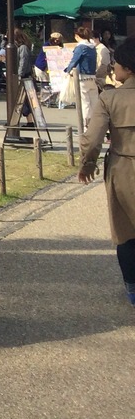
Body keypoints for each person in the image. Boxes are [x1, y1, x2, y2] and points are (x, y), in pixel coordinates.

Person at [78, 37, 135, 307]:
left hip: (124, 168)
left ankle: (132, 286)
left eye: (117, 64)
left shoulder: (109, 98)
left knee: (125, 231)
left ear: (128, 67)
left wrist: (87, 164)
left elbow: (93, 139)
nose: (114, 68)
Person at [64, 23, 100, 126]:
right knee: (94, 103)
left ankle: (85, 126)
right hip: (92, 77)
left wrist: (67, 71)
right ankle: (95, 125)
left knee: (85, 104)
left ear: (77, 36)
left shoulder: (80, 47)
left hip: (82, 77)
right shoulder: (92, 47)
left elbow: (74, 61)